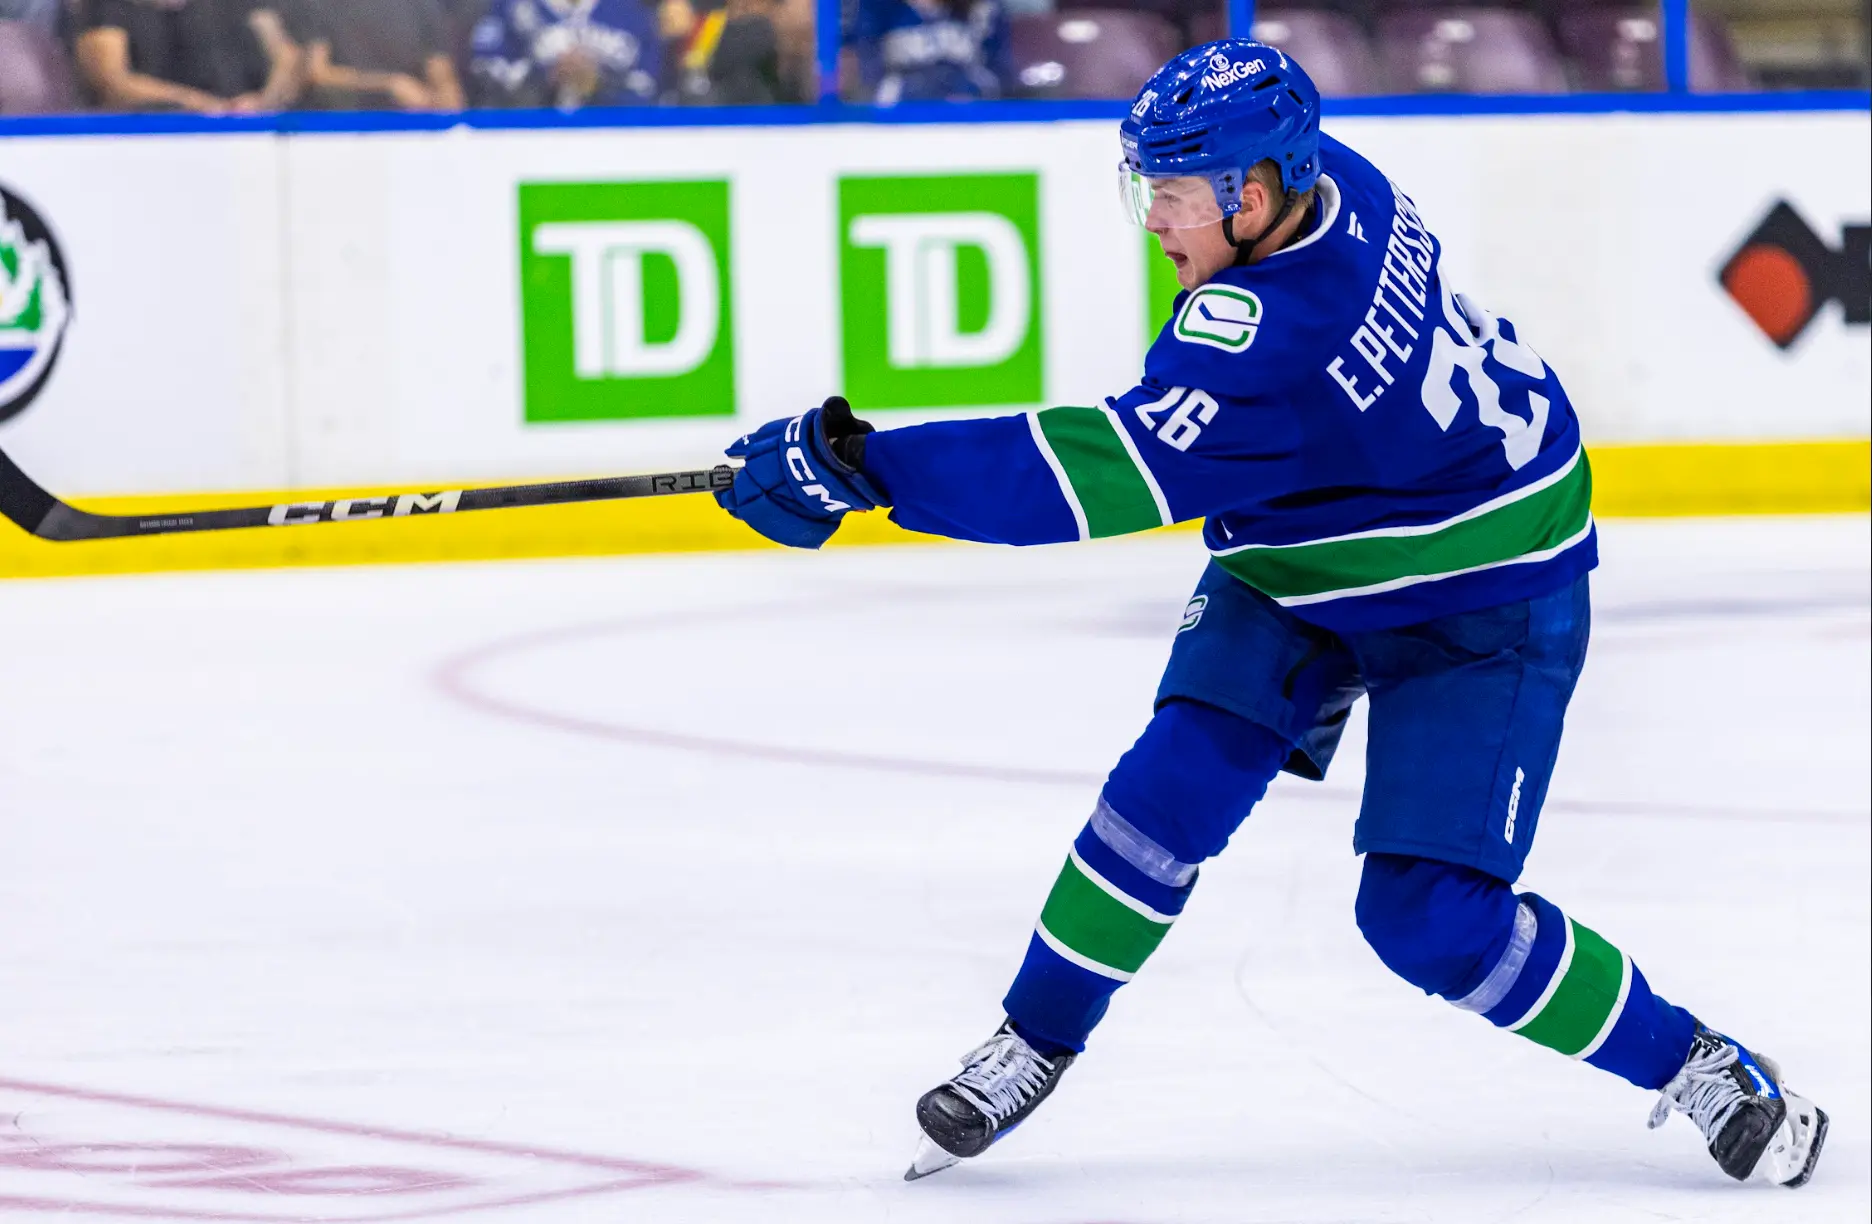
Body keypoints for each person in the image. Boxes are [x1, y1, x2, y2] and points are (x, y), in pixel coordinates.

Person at [713, 40, 1830, 1192]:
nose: (1153, 221)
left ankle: (1696, 1063)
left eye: (1174, 194)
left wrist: (864, 468)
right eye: (1144, 187)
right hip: (1318, 545)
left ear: (1251, 196)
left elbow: (1083, 478)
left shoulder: (1275, 339)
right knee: (1163, 796)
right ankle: (1034, 1039)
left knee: (1430, 922)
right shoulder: (1328, 177)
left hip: (1487, 596)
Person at [74, 0, 303, 114]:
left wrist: (263, 101)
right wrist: (195, 102)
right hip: (151, 137)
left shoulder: (233, 6)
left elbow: (286, 56)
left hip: (247, 130)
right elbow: (112, 80)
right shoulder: (109, 7)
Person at [469, 0, 661, 108]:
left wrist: (599, 84)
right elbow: (486, 73)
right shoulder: (511, 8)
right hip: (532, 141)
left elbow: (652, 88)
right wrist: (545, 76)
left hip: (614, 142)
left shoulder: (633, 12)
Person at [299, 0, 464, 111]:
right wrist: (389, 83)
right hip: (344, 125)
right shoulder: (324, 5)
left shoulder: (421, 5)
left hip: (411, 125)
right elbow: (317, 73)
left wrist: (443, 105)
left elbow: (442, 75)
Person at [847, 0, 1010, 104]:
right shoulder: (876, 7)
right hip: (899, 121)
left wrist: (970, 94)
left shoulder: (984, 7)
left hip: (970, 121)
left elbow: (999, 72)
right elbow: (867, 75)